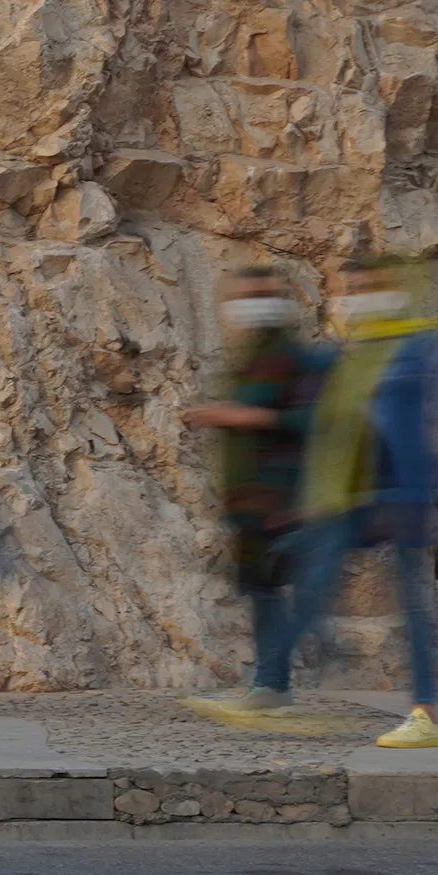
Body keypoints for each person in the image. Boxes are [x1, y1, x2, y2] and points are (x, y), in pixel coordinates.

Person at [257, 252, 438, 749]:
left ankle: (424, 714)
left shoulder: (416, 345)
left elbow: (406, 425)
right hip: (357, 494)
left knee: (412, 603)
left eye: (371, 284)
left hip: (402, 493)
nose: (360, 296)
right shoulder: (362, 349)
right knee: (311, 578)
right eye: (355, 287)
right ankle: (270, 683)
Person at [183, 262, 322, 721]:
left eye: (259, 294)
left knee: (282, 587)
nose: (250, 306)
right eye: (244, 296)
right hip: (251, 497)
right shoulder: (254, 355)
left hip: (280, 495)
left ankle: (275, 679)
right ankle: (271, 683)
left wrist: (234, 415)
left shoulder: (289, 355)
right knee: (262, 590)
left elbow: (307, 419)